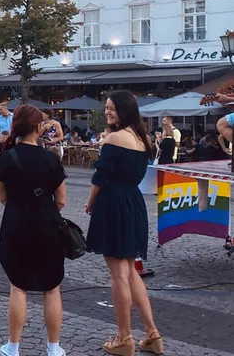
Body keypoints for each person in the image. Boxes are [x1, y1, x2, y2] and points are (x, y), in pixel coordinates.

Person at [85, 90, 162, 356]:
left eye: (112, 108)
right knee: (130, 271)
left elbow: (100, 177)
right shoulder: (144, 138)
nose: (107, 112)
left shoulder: (114, 138)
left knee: (119, 274)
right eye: (106, 107)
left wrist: (90, 202)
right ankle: (152, 333)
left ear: (124, 110)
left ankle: (124, 338)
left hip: (113, 203)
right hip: (133, 202)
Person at [0, 105, 68, 356]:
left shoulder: (6, 159)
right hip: (46, 222)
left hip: (16, 221)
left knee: (18, 285)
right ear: (38, 127)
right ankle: (54, 348)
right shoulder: (51, 159)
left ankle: (13, 346)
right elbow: (61, 200)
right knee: (52, 287)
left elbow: (2, 197)